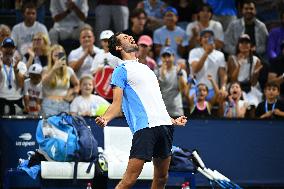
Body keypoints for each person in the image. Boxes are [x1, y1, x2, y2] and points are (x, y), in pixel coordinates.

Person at [95, 32, 187, 189]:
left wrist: (172, 120)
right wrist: (106, 118)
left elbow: (155, 101)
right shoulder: (120, 70)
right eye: (124, 38)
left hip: (164, 126)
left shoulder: (146, 68)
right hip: (145, 129)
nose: (130, 37)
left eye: (129, 36)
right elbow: (117, 104)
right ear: (118, 47)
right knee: (129, 180)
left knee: (161, 178)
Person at [188, 29, 227, 101]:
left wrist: (223, 88)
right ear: (200, 41)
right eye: (205, 37)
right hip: (195, 88)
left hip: (212, 89)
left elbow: (222, 75)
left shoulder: (220, 55)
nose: (207, 39)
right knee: (191, 99)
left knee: (222, 98)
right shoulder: (194, 52)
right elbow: (195, 69)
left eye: (210, 37)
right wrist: (207, 52)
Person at [227, 34, 263, 109]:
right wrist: (239, 65)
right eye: (242, 43)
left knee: (252, 105)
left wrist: (255, 74)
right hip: (235, 87)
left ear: (251, 46)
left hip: (250, 88)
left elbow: (253, 83)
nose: (244, 45)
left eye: (247, 43)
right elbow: (232, 80)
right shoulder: (232, 59)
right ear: (238, 45)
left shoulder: (256, 60)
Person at [42, 44, 79, 116]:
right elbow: (44, 83)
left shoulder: (69, 70)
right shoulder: (45, 69)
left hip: (64, 103)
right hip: (49, 104)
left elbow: (77, 84)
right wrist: (54, 69)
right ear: (51, 57)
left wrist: (73, 93)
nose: (58, 58)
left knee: (63, 126)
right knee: (49, 126)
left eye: (60, 55)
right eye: (56, 55)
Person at [156, 47, 187, 117]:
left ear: (173, 57)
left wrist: (179, 74)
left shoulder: (181, 71)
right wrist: (161, 76)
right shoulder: (157, 71)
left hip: (177, 111)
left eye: (169, 56)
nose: (166, 59)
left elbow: (184, 91)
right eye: (164, 56)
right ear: (161, 58)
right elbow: (154, 91)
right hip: (161, 112)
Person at [0, 37, 27, 115]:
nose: (8, 49)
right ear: (2, 49)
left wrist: (15, 69)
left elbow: (21, 84)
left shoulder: (21, 64)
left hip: (17, 100)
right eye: (6, 47)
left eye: (11, 47)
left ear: (14, 49)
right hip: (1, 99)